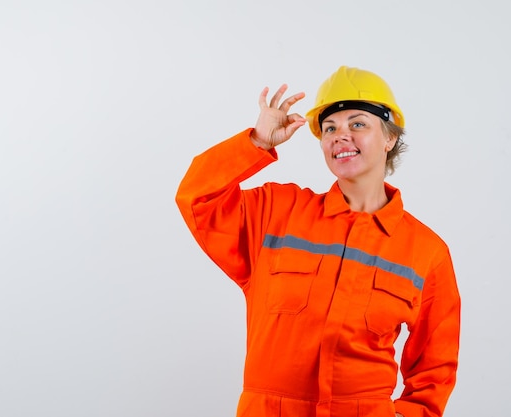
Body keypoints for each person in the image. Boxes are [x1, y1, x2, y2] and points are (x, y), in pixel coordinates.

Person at [175, 66, 460, 417]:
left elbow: (436, 361)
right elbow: (196, 197)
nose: (341, 136)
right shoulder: (276, 214)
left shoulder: (426, 251)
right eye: (330, 128)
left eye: (358, 124)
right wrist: (258, 142)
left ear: (390, 138)